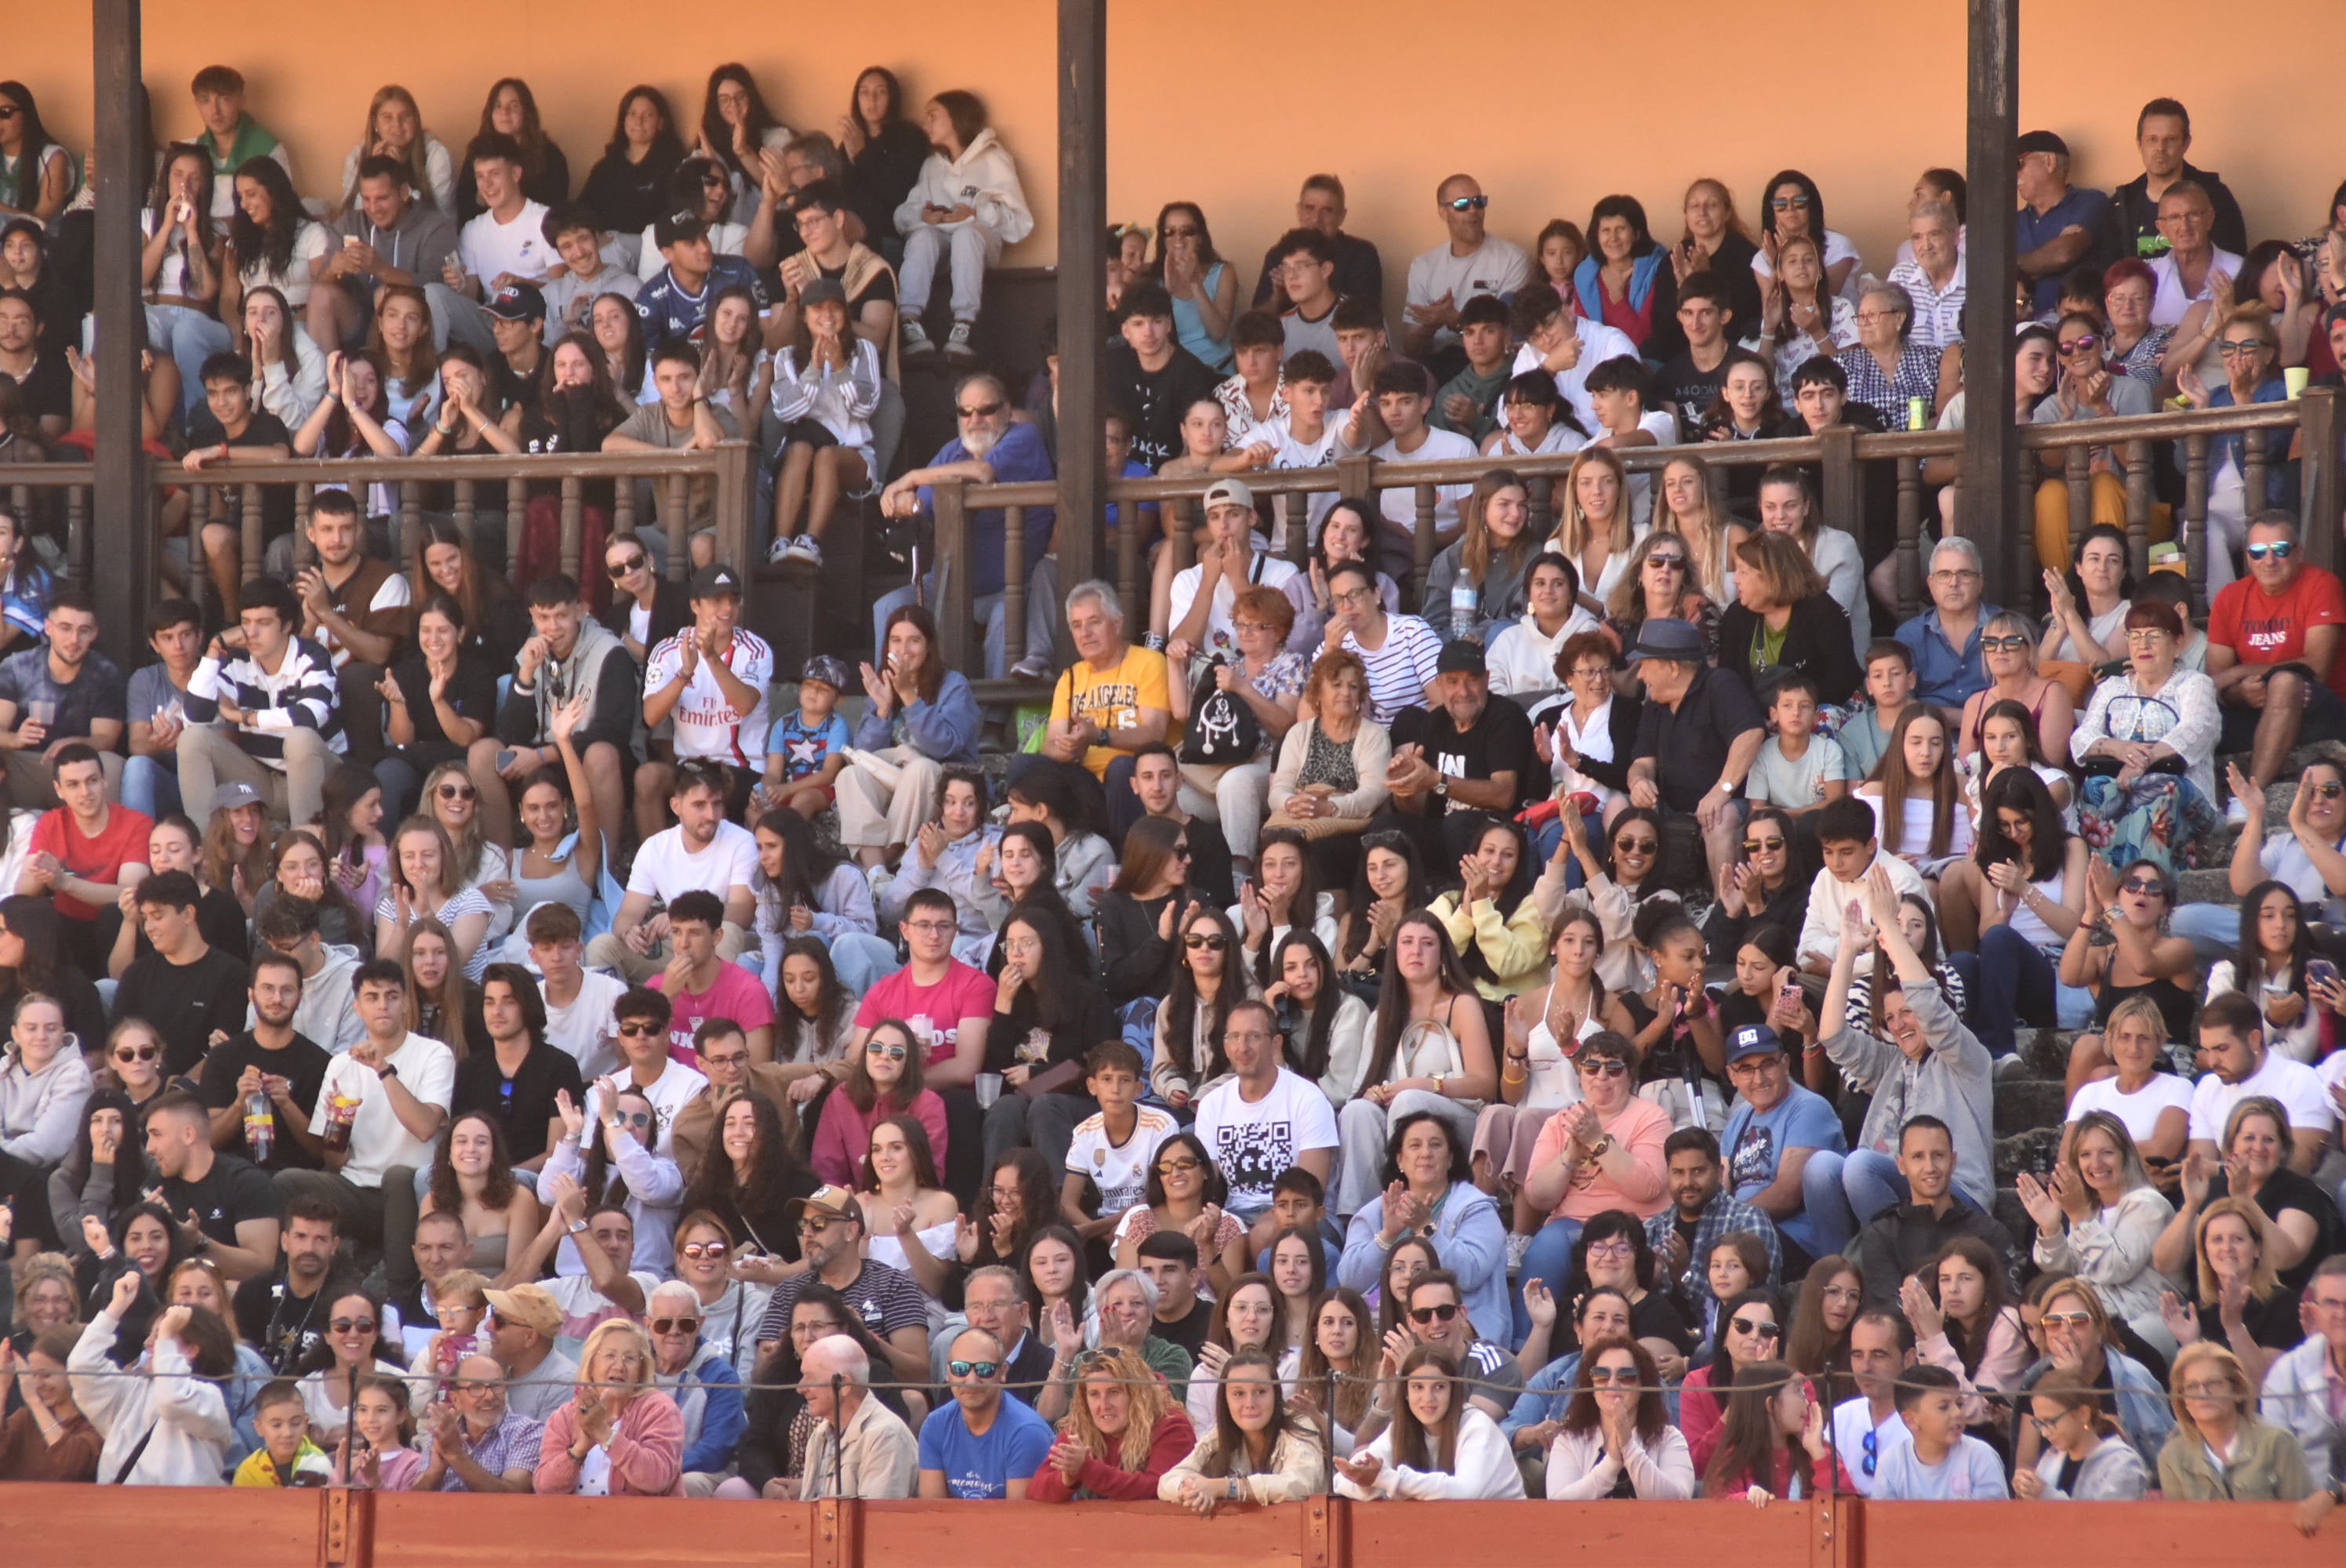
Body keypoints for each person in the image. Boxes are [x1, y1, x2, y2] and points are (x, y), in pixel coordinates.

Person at [873, 374, 1059, 681]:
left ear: (1007, 410)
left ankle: (995, 722)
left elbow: (983, 471)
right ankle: (891, 703)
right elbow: (921, 501)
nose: (975, 419)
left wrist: (910, 478)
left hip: (1010, 586)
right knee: (888, 607)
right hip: (949, 584)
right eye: (965, 412)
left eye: (986, 410)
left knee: (1005, 617)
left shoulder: (1023, 437)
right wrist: (908, 498)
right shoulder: (952, 452)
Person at [272, 959, 454, 1255]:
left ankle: (398, 1285)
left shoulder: (434, 1054)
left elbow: (424, 1128)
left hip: (415, 1190)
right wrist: (337, 1124)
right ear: (358, 1008)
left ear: (406, 1003)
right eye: (372, 997)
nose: (383, 1005)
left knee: (398, 1176)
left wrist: (382, 1069)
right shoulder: (341, 1064)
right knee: (287, 1182)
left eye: (392, 997)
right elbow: (334, 1161)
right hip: (357, 1188)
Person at [176, 578, 344, 831]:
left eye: (263, 623)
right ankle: (204, 853)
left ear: (287, 625)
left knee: (300, 738)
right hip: (261, 779)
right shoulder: (235, 660)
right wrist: (212, 651)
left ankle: (306, 851)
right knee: (192, 740)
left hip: (320, 778)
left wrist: (246, 717)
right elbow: (194, 717)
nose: (251, 633)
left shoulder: (312, 656)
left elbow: (310, 716)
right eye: (246, 623)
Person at [2071, 601, 2221, 873]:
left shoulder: (2194, 684)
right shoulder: (2112, 688)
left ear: (2176, 643)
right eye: (2135, 636)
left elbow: (2197, 729)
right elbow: (2082, 737)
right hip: (2122, 781)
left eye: (2154, 636)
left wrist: (2143, 759)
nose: (2144, 645)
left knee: (2156, 786)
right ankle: (2104, 891)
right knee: (2096, 788)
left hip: (2183, 789)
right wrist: (2117, 748)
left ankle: (2149, 888)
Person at [1624, 617, 1765, 892]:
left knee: (1719, 815)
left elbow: (1750, 734)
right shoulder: (1655, 704)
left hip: (1727, 807)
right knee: (1624, 810)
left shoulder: (1720, 684)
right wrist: (1638, 782)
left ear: (1672, 667)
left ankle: (1723, 910)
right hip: (1671, 811)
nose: (1640, 675)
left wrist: (1721, 790)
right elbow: (1641, 762)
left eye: (1645, 665)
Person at [586, 761, 757, 984]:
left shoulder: (741, 841)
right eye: (699, 805)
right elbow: (626, 916)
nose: (711, 815)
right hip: (676, 948)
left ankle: (716, 1015)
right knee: (602, 947)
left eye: (716, 804)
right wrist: (630, 933)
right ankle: (620, 1017)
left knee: (729, 933)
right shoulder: (655, 847)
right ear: (676, 807)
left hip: (721, 943)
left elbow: (742, 913)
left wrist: (682, 918)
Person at [891, 91, 1030, 365]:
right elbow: (902, 216)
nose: (925, 124)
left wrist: (976, 212)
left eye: (933, 116)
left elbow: (1019, 223)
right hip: (941, 249)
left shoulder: (994, 159)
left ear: (955, 120)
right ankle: (909, 323)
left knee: (966, 234)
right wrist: (925, 216)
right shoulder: (932, 165)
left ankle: (964, 325)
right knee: (923, 237)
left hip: (978, 246)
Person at [67, 1272, 237, 1485]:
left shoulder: (212, 1398)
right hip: (121, 1509)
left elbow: (172, 1400)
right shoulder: (133, 1390)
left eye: (159, 1335)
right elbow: (81, 1367)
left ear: (192, 1350)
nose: (148, 1342)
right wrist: (116, 1307)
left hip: (183, 1513)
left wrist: (165, 1339)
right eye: (154, 1334)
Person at [531, 1317, 685, 1497]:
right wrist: (579, 1449)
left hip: (642, 1521)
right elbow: (545, 1488)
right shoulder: (565, 1416)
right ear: (591, 1365)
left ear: (641, 1370)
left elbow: (656, 1478)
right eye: (610, 1355)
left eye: (630, 1358)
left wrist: (605, 1435)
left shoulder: (659, 1409)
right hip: (575, 1521)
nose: (619, 1366)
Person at [1157, 1346, 1321, 1512]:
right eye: (1239, 1394)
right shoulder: (1220, 1433)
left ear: (1275, 1394)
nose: (1250, 1403)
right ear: (1225, 1399)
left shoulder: (1300, 1424)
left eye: (1260, 1392)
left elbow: (1300, 1485)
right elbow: (1167, 1482)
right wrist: (1189, 1490)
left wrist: (1226, 1487)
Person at [1403, 175, 1530, 382]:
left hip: (1492, 367)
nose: (1473, 210)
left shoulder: (1511, 258)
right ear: (1443, 212)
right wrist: (1431, 326)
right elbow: (1411, 347)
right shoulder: (1424, 265)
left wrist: (1453, 319)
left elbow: (1508, 335)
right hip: (1435, 366)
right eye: (1462, 204)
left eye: (1479, 202)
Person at [2159, 1341, 2319, 1502]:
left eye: (2214, 1383)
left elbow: (2302, 1514)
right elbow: (2178, 1524)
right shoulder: (2172, 1457)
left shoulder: (2277, 1442)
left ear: (2237, 1390)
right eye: (2192, 1386)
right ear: (2183, 1399)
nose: (2203, 1393)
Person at [1538, 1336, 1695, 1498]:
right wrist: (1612, 1463)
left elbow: (1679, 1500)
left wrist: (1630, 1450)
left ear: (1643, 1385)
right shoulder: (1568, 1440)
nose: (1612, 1383)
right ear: (1591, 1386)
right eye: (1601, 1375)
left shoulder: (1669, 1438)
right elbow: (1559, 1505)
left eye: (1626, 1376)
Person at [914, 1323, 1055, 1498]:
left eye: (984, 1369)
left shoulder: (1027, 1433)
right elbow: (932, 1511)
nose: (971, 1380)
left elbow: (1020, 1520)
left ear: (1003, 1372)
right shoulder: (934, 1426)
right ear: (947, 1373)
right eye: (960, 1368)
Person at [2105, 98, 2250, 263]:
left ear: (2186, 143)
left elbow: (2234, 264)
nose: (2160, 148)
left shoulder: (2214, 196)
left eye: (2171, 139)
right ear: (2140, 144)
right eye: (2152, 139)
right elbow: (2110, 274)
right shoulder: (2122, 204)